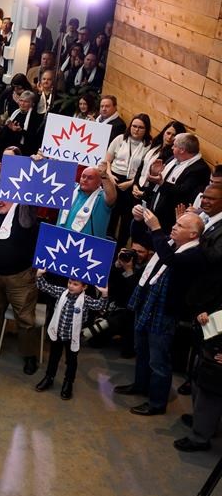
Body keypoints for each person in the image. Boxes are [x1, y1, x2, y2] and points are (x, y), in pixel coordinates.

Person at [115, 207, 205, 416]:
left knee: (158, 360)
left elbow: (169, 260)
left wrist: (156, 228)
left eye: (180, 226)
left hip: (165, 310)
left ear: (193, 234)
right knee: (142, 349)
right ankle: (140, 385)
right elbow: (141, 236)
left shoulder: (194, 254)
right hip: (148, 303)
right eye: (175, 223)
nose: (173, 227)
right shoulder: (173, 243)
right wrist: (138, 221)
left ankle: (156, 403)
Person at [0, 199, 41, 374]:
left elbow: (30, 202)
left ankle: (29, 356)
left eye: (5, 197)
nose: (0, 201)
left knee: (25, 319)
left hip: (20, 278)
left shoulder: (24, 213)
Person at [33, 270, 109, 400]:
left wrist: (104, 293)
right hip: (57, 333)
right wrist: (39, 275)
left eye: (75, 284)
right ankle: (49, 377)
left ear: (84, 287)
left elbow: (99, 305)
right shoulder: (61, 292)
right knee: (54, 357)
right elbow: (44, 286)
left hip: (72, 337)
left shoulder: (86, 300)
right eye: (69, 282)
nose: (70, 286)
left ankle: (68, 382)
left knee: (71, 361)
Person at [55, 163, 117, 238]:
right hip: (59, 239)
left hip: (87, 247)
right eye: (83, 176)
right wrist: (40, 161)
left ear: (99, 182)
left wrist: (104, 176)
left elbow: (112, 196)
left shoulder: (101, 198)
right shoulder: (71, 188)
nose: (85, 180)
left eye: (90, 178)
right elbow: (51, 177)